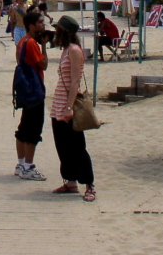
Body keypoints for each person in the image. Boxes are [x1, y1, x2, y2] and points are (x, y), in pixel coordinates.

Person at [49, 15, 96, 201]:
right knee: (63, 145)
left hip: (68, 105)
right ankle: (70, 181)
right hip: (58, 105)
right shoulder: (66, 50)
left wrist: (69, 107)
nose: (55, 33)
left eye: (58, 30)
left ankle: (89, 185)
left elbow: (75, 80)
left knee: (77, 146)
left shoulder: (75, 51)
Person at [14, 10, 48, 181]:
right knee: (33, 129)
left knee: (23, 127)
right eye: (40, 22)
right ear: (32, 25)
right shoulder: (32, 43)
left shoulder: (21, 42)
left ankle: (21, 164)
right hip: (34, 90)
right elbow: (43, 65)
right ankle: (28, 166)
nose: (43, 25)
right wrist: (44, 46)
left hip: (24, 89)